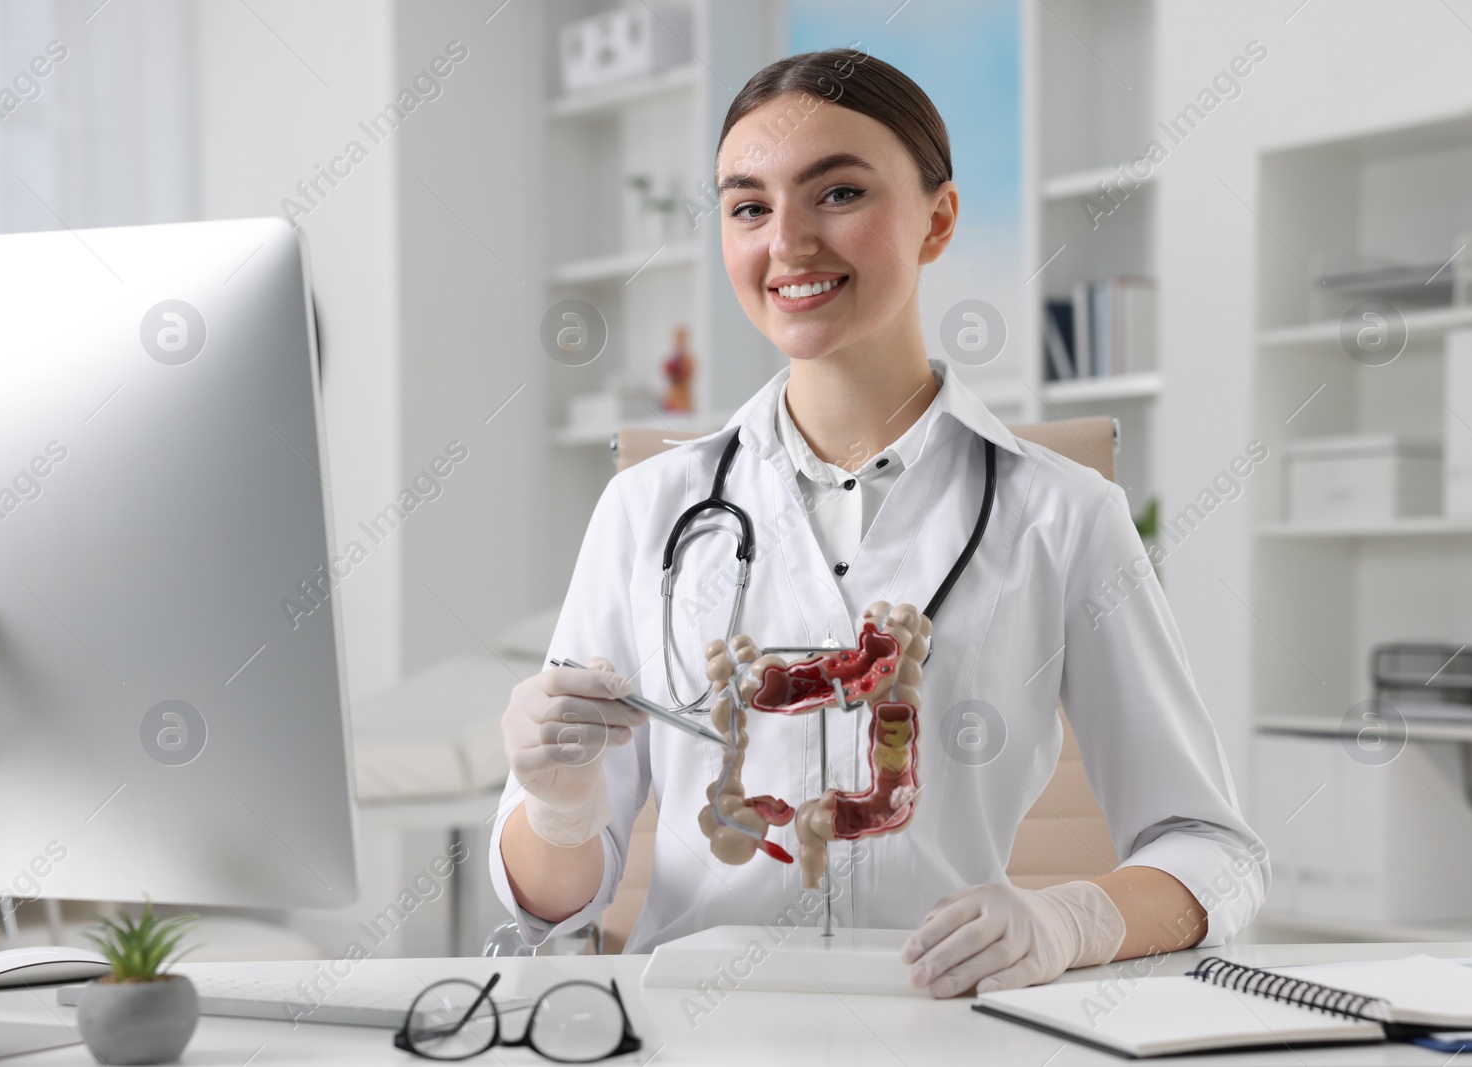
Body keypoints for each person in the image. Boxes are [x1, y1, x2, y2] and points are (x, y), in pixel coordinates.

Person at [494, 48, 1267, 998]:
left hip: (947, 1023)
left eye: (839, 193)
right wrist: (563, 809)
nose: (788, 243)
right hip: (695, 1028)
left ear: (938, 220)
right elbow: (552, 905)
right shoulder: (651, 509)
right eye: (748, 207)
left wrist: (1072, 922)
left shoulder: (1065, 516)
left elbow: (1211, 849)